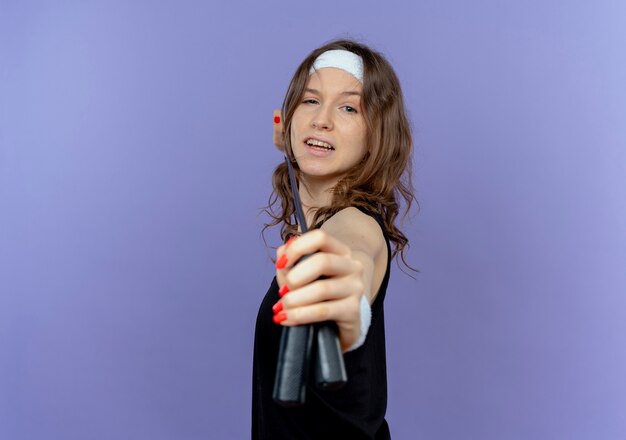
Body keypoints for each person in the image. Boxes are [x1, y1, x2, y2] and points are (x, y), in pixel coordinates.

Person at [252, 39, 415, 439]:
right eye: (310, 101)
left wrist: (347, 300)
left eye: (348, 107)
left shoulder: (355, 225)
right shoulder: (314, 223)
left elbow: (354, 254)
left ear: (376, 137)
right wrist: (288, 136)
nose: (321, 120)